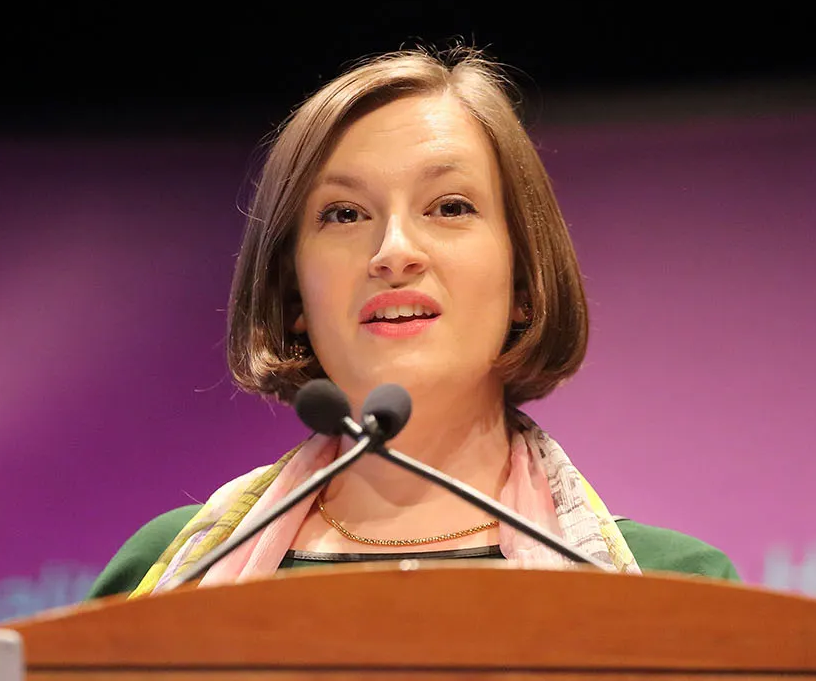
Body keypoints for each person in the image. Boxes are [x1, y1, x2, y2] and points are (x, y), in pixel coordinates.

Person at [89, 46, 738, 599]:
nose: (393, 251)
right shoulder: (166, 574)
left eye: (448, 206)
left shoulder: (671, 589)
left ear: (523, 282)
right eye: (343, 214)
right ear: (291, 295)